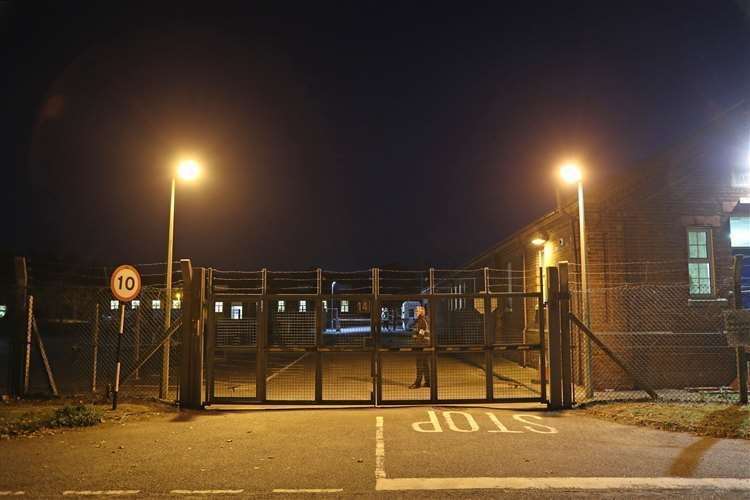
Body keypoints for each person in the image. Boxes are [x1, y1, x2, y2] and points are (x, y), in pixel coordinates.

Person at [409, 305, 431, 389]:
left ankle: (417, 383)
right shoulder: (423, 320)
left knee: (419, 365)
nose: (415, 312)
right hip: (425, 345)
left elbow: (421, 334)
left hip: (421, 346)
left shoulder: (421, 321)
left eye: (417, 311)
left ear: (421, 312)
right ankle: (428, 382)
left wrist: (415, 345)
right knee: (425, 364)